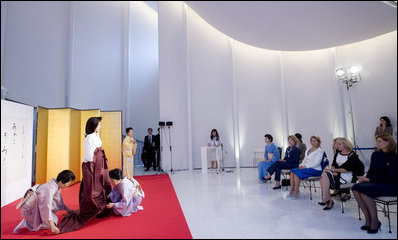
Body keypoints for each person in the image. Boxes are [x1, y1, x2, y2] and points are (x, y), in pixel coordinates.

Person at [58, 117, 112, 233]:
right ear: (94, 126)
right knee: (92, 188)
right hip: (92, 165)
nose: (100, 126)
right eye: (99, 125)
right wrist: (95, 165)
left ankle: (100, 208)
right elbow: (88, 156)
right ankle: (92, 208)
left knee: (100, 185)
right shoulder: (89, 138)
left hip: (98, 164)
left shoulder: (94, 136)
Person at [352, 134, 397, 234]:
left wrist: (370, 180)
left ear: (388, 142)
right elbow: (371, 170)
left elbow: (390, 175)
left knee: (365, 191)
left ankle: (375, 221)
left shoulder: (394, 156)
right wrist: (365, 177)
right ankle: (368, 219)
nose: (378, 143)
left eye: (380, 141)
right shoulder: (375, 155)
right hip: (376, 183)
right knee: (355, 187)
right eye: (377, 141)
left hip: (391, 185)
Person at [14, 170, 76, 235]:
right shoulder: (50, 189)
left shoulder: (55, 186)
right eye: (68, 184)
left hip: (34, 208)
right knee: (54, 221)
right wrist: (52, 226)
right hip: (29, 211)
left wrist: (69, 211)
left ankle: (31, 222)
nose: (68, 186)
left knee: (53, 218)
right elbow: (46, 207)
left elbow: (59, 202)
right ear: (61, 181)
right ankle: (29, 223)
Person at [318, 138, 364, 210]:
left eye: (339, 144)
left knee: (324, 175)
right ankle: (328, 200)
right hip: (337, 173)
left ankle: (327, 200)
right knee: (324, 175)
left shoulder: (352, 155)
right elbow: (333, 164)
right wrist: (333, 170)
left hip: (347, 176)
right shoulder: (338, 153)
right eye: (337, 144)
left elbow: (346, 169)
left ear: (345, 144)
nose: (337, 146)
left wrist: (334, 170)